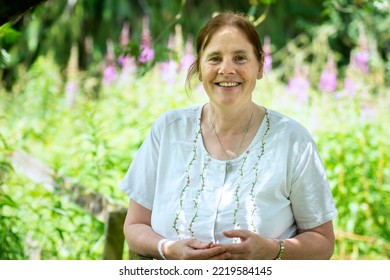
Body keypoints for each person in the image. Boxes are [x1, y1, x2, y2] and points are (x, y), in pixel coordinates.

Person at [119, 11, 338, 260]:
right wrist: (168, 249)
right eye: (214, 58)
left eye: (240, 58)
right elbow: (135, 226)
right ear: (200, 69)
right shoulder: (168, 130)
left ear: (260, 66)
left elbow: (322, 241)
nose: (227, 69)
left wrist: (273, 250)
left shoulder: (293, 141)